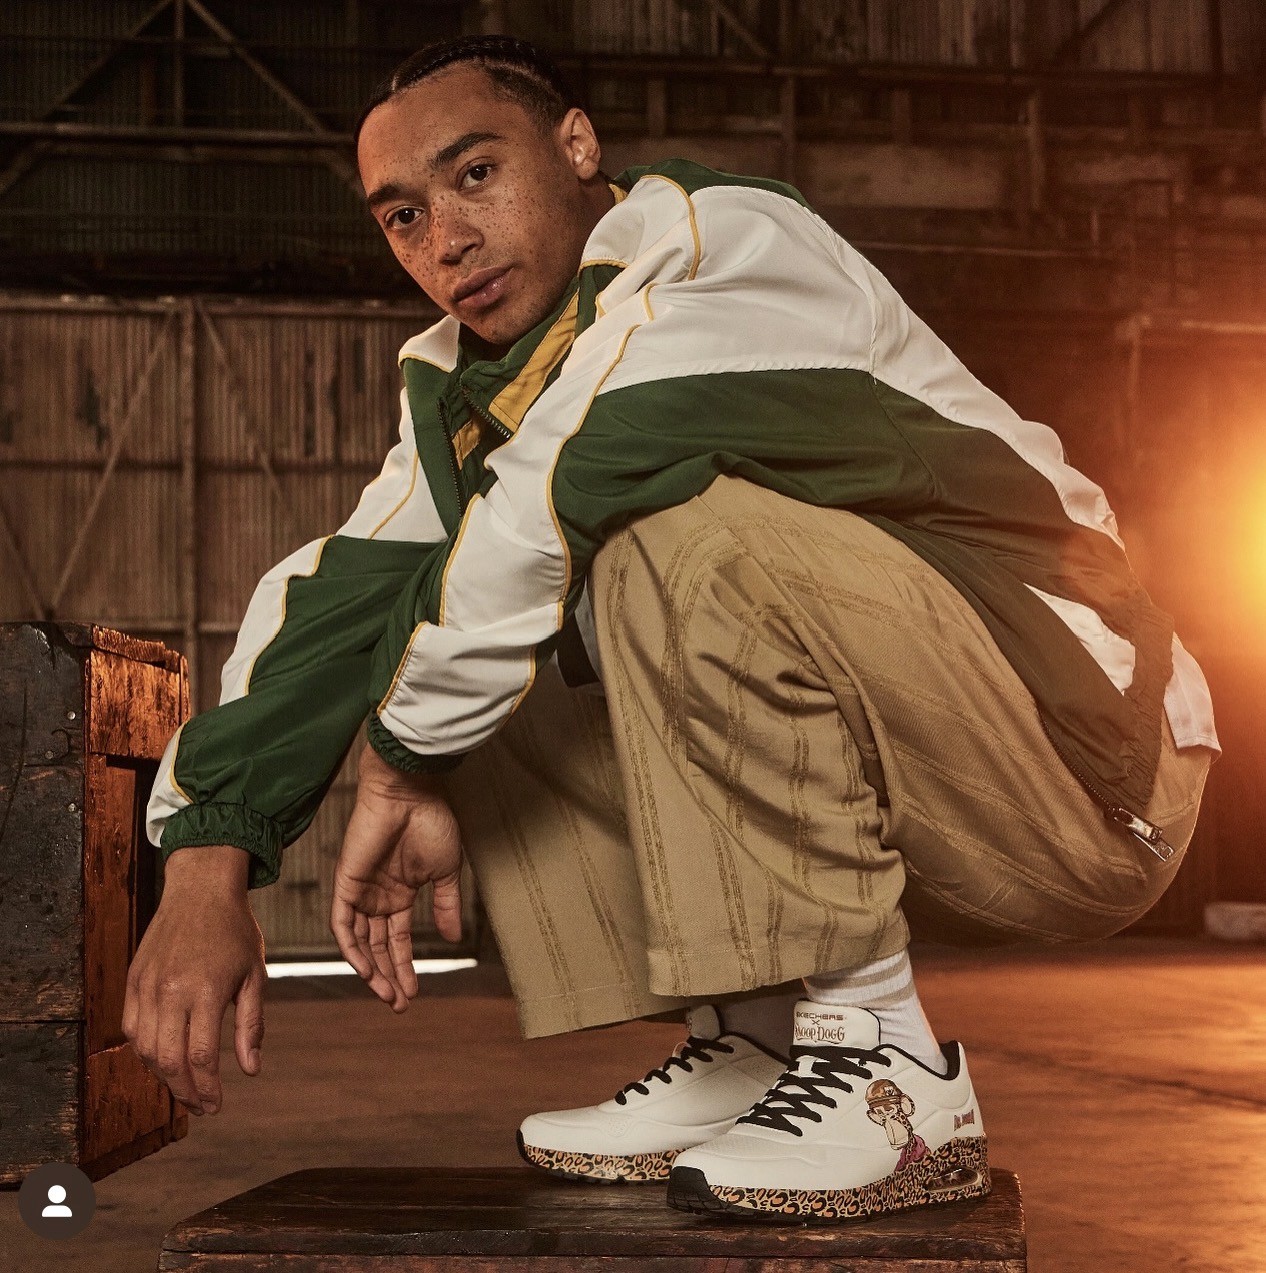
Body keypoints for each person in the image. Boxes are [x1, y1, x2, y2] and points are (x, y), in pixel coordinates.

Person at [125, 35, 1219, 1222]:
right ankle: (760, 1040)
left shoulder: (722, 245)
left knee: (650, 548)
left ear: (576, 145)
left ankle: (891, 1078)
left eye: (476, 175)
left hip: (1086, 756)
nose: (445, 240)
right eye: (402, 216)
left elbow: (556, 492)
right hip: (936, 786)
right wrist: (206, 863)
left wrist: (402, 764)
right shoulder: (475, 387)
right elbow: (332, 591)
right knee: (471, 626)